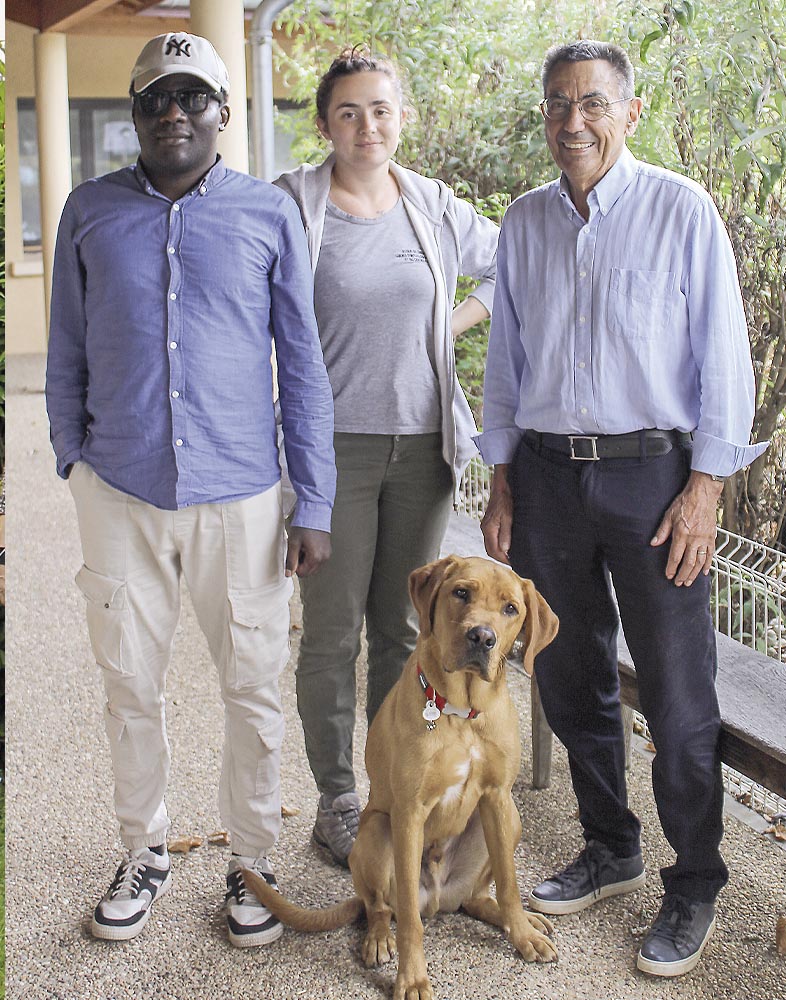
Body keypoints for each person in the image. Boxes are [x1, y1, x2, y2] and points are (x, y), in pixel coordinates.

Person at [477, 39, 768, 978]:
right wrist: (503, 476)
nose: (573, 122)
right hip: (550, 476)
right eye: (558, 104)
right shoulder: (523, 224)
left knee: (680, 697)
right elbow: (507, 366)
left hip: (656, 480)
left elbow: (725, 358)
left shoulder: (682, 211)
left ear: (629, 112)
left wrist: (707, 486)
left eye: (593, 104)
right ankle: (610, 846)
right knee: (567, 672)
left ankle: (694, 883)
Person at [45, 32, 336, 947]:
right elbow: (66, 351)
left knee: (252, 686)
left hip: (241, 496)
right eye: (154, 99)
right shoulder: (88, 211)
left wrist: (313, 502)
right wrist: (73, 460)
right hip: (120, 491)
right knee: (128, 684)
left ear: (220, 111)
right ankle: (145, 850)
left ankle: (252, 860)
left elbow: (304, 364)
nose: (173, 112)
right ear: (136, 115)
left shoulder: (267, 214)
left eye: (191, 97)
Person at [274, 48, 499, 867]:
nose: (367, 125)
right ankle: (338, 798)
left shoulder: (431, 205)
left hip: (425, 450)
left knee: (407, 636)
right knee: (332, 634)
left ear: (402, 116)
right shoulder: (294, 206)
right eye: (348, 112)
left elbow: (512, 266)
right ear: (326, 124)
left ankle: (403, 784)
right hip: (330, 450)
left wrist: (450, 324)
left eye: (380, 109)